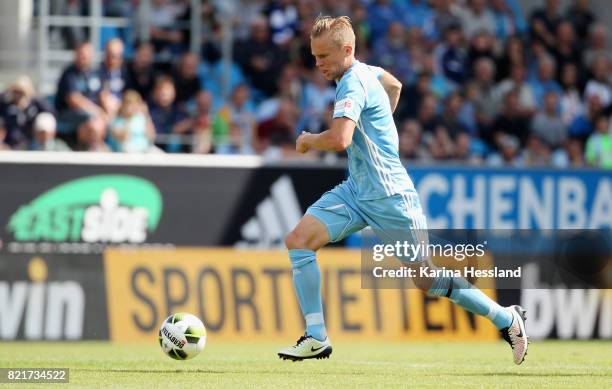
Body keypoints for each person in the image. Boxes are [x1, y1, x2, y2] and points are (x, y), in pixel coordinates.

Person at [276, 16, 529, 364]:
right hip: (357, 191)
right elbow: (394, 85)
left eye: (323, 57)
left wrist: (307, 141)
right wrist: (381, 130)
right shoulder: (368, 71)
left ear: (347, 50)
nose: (317, 64)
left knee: (425, 279)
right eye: (314, 56)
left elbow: (339, 138)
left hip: (391, 198)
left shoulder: (352, 84)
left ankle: (505, 318)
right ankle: (316, 336)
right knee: (298, 241)